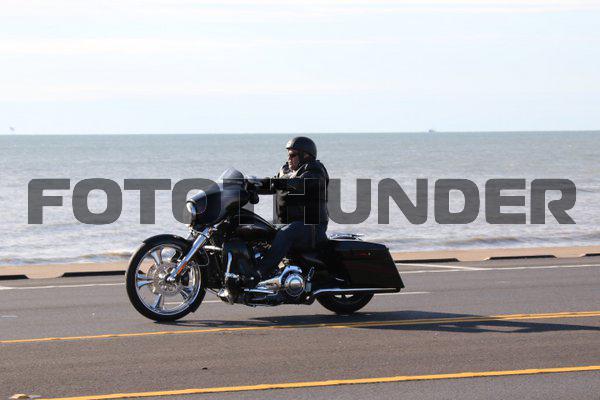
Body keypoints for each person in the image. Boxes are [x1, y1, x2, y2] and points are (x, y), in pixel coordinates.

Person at [255, 136, 329, 279]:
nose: (289, 158)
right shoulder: (286, 171)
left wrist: (277, 183)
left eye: (292, 155)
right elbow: (271, 184)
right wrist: (248, 184)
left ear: (305, 156)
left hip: (311, 227)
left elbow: (300, 184)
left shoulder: (316, 171)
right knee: (258, 227)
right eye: (288, 155)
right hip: (290, 224)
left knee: (287, 233)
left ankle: (260, 272)